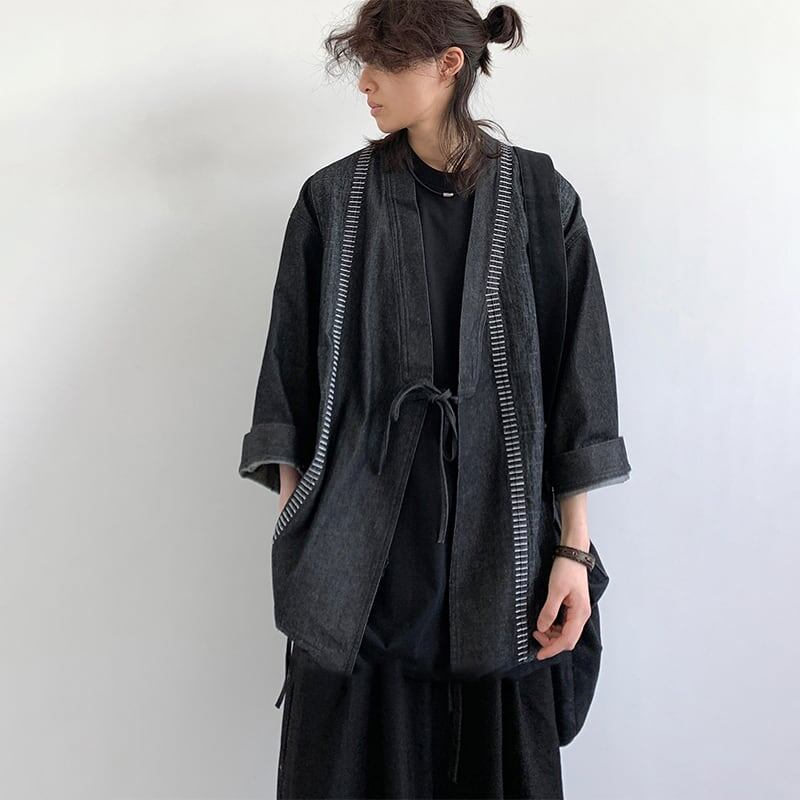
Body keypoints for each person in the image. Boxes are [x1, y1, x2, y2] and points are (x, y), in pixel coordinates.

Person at [239, 1, 632, 797]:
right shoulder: (332, 201)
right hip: (362, 557)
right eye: (361, 62)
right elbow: (288, 379)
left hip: (503, 546)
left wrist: (573, 552)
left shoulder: (541, 200)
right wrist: (304, 529)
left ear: (450, 65)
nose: (365, 83)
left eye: (383, 62)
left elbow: (580, 387)